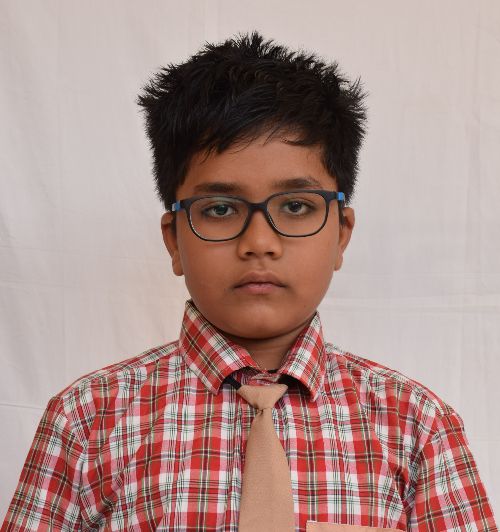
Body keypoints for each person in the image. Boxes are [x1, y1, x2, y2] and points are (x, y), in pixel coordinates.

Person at [2, 32, 496, 531]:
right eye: (220, 209)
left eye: (296, 206)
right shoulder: (87, 421)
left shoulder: (415, 426)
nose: (259, 242)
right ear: (174, 240)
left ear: (341, 234)